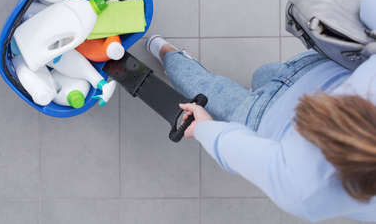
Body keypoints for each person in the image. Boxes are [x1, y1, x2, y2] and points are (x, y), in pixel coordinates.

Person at [145, 35, 376, 222]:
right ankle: (167, 53)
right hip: (260, 117)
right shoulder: (307, 193)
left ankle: (170, 54)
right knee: (204, 86)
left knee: (264, 74)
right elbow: (234, 148)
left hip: (314, 71)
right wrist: (202, 127)